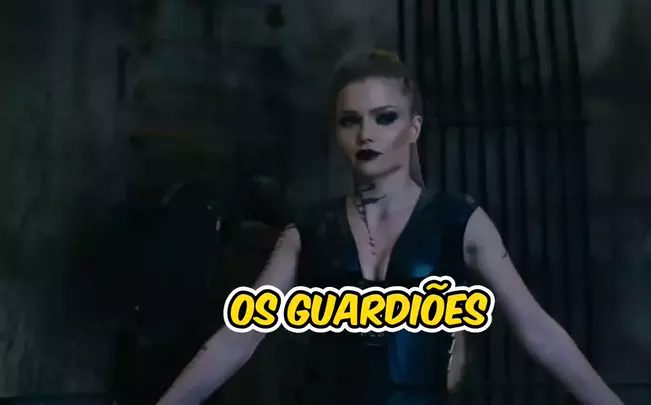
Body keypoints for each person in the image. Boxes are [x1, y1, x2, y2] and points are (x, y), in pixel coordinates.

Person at [154, 50, 623, 405]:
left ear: (413, 128)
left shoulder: (458, 220)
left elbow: (537, 329)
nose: (366, 135)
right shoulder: (309, 231)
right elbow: (238, 337)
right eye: (350, 121)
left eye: (385, 118)